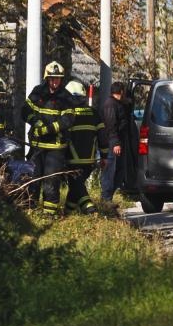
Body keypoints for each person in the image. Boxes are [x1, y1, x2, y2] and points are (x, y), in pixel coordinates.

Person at [24, 61, 76, 215]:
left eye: (58, 78)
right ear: (47, 78)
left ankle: (49, 215)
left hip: (55, 148)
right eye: (52, 78)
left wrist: (48, 129)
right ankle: (31, 211)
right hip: (37, 146)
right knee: (33, 179)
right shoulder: (37, 92)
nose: (55, 82)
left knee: (51, 182)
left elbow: (68, 119)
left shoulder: (66, 97)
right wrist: (35, 121)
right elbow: (25, 111)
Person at [63, 80, 100, 212]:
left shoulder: (68, 114)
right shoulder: (94, 113)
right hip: (90, 161)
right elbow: (103, 135)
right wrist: (105, 155)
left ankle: (89, 208)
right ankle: (68, 212)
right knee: (76, 187)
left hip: (72, 160)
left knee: (76, 185)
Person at [99, 79, 132, 203]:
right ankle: (106, 199)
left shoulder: (119, 104)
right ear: (121, 92)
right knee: (110, 171)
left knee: (120, 171)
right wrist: (116, 143)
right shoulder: (110, 104)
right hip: (112, 144)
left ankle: (109, 197)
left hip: (119, 141)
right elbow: (111, 125)